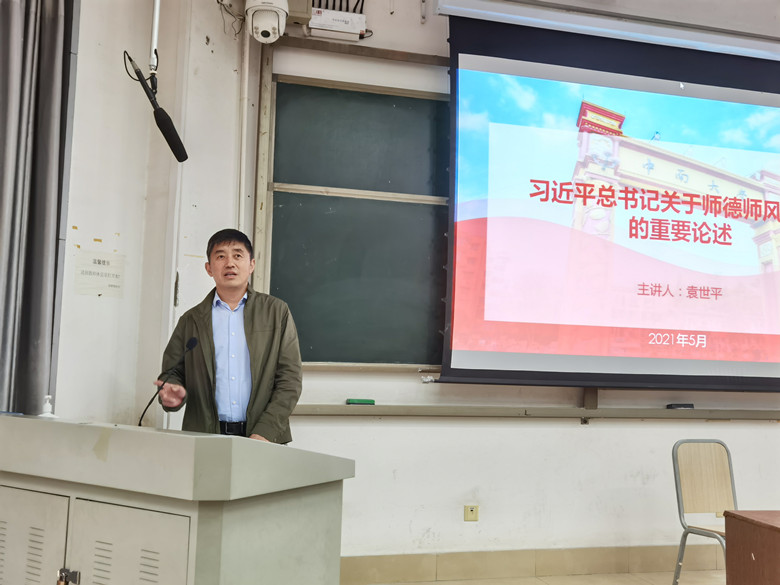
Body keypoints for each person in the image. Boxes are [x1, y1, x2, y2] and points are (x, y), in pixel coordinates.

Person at [156, 228, 302, 443]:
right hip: (206, 438)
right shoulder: (192, 319)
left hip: (264, 438)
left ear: (251, 264)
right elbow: (172, 373)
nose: (230, 263)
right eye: (221, 256)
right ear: (209, 268)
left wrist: (265, 432)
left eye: (237, 255)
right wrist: (172, 395)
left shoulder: (276, 312)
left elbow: (290, 380)